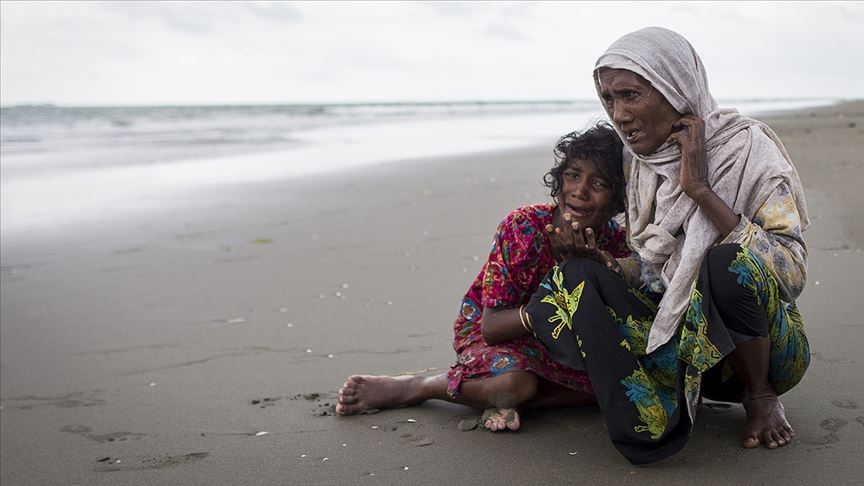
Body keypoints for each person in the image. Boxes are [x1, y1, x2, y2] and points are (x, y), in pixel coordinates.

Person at [526, 27, 810, 464]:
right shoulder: (634, 162)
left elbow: (790, 270)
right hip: (679, 347)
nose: (618, 114)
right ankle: (650, 416)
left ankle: (760, 397)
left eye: (631, 95)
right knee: (574, 280)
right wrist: (608, 265)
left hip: (760, 353)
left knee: (724, 261)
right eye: (608, 99)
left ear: (675, 89)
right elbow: (656, 273)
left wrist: (699, 189)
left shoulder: (747, 147)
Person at [335, 123, 631, 431]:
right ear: (558, 181)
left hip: (567, 346)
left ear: (617, 200)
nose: (580, 191)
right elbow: (491, 328)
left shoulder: (617, 246)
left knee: (624, 385)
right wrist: (561, 287)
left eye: (598, 184)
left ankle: (525, 405)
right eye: (572, 175)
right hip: (501, 335)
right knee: (514, 385)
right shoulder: (524, 229)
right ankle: (420, 387)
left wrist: (589, 266)